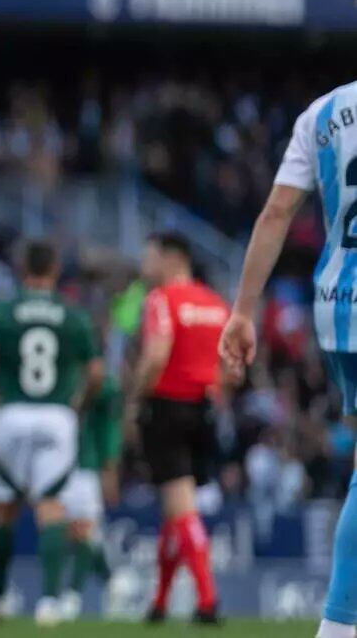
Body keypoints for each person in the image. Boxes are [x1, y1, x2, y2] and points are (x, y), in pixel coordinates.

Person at [220, 80, 357, 638]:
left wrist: (243, 310)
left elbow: (277, 212)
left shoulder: (323, 113)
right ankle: (339, 624)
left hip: (338, 306)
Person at [0, 240, 101, 626]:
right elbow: (96, 373)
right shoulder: (73, 315)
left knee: (2, 509)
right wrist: (78, 405)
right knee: (51, 507)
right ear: (55, 269)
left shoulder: (3, 313)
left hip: (11, 415)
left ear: (22, 269)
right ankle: (49, 602)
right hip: (56, 416)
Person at [131, 231, 227, 624]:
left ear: (171, 259)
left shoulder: (161, 299)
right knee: (175, 508)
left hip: (167, 407)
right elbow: (230, 366)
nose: (144, 265)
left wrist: (135, 399)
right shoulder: (216, 304)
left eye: (150, 257)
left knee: (181, 507)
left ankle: (207, 600)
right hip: (204, 409)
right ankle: (160, 602)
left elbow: (157, 354)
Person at [60, 363, 122, 617]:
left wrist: (109, 468)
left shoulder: (101, 389)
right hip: (59, 466)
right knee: (76, 533)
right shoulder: (60, 376)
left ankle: (73, 595)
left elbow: (107, 427)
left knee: (83, 530)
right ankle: (112, 581)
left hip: (83, 467)